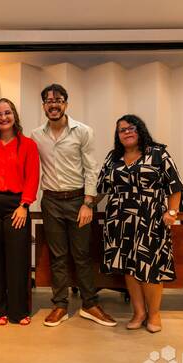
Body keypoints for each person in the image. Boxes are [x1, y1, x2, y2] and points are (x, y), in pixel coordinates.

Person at [31, 83, 117, 328]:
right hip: (51, 201)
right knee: (58, 256)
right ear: (44, 106)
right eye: (48, 101)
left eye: (58, 100)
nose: (53, 105)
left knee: (81, 255)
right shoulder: (36, 135)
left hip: (79, 201)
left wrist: (88, 203)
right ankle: (60, 305)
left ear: (65, 104)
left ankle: (90, 304)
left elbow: (91, 168)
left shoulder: (83, 131)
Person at [96, 114, 183, 333]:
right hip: (120, 220)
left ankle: (154, 314)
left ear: (140, 130)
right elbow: (100, 188)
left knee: (150, 267)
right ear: (117, 135)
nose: (127, 132)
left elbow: (175, 186)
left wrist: (172, 211)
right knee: (129, 267)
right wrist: (86, 204)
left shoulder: (158, 153)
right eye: (122, 130)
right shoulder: (113, 157)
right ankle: (138, 313)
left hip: (150, 218)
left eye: (131, 128)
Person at [0, 98, 39, 326]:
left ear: (14, 115)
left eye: (7, 112)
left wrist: (24, 205)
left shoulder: (28, 145)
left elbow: (32, 176)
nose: (3, 117)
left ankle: (18, 310)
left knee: (17, 259)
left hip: (18, 206)